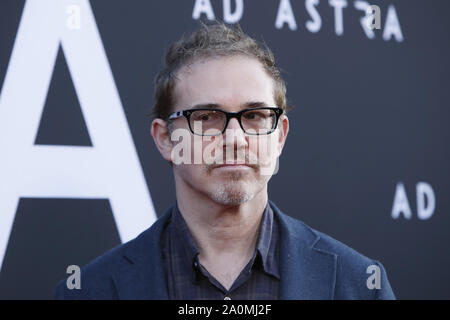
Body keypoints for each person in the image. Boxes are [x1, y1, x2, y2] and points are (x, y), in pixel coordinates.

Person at [55, 22, 395, 300]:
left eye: (255, 115)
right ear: (165, 139)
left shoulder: (359, 285)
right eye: (206, 117)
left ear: (279, 136)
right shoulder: (89, 291)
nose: (235, 138)